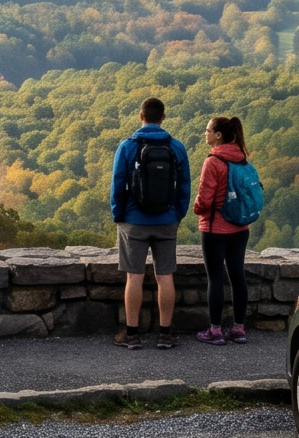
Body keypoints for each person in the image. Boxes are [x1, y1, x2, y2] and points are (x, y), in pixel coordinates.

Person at [107, 96, 187, 349]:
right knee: (165, 277)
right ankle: (165, 334)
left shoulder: (128, 146)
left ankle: (131, 334)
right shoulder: (176, 147)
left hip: (134, 221)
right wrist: (178, 214)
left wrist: (118, 214)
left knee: (135, 277)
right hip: (166, 220)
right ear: (163, 117)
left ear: (141, 116)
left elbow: (118, 184)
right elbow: (184, 185)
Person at [191, 115, 256, 344]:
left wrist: (196, 208)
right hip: (240, 227)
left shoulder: (213, 162)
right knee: (238, 277)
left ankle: (215, 331)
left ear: (218, 135)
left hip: (214, 228)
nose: (205, 133)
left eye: (208, 130)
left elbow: (205, 199)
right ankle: (239, 329)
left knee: (216, 278)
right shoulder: (241, 159)